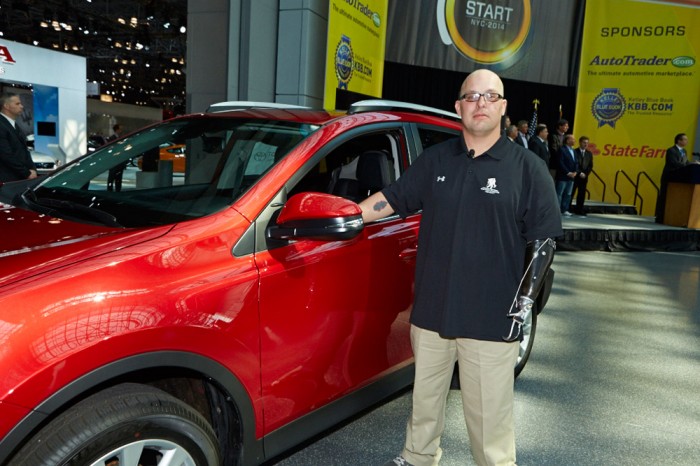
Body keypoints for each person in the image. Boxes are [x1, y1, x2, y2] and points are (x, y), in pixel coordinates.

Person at [359, 69, 563, 466]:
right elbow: (392, 199)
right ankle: (417, 457)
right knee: (424, 402)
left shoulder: (527, 168)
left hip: (490, 317)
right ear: (459, 107)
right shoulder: (436, 159)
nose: (480, 103)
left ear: (503, 108)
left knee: (490, 422)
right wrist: (349, 215)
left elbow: (545, 241)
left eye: (490, 97)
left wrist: (523, 305)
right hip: (433, 312)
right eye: (472, 97)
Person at [654, 133, 699, 223]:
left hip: (678, 179)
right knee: (664, 197)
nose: (686, 141)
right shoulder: (671, 150)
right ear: (679, 141)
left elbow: (686, 162)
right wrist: (688, 165)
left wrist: (693, 164)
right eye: (684, 139)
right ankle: (660, 217)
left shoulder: (684, 151)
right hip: (669, 177)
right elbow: (674, 163)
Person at [0, 92, 37, 183]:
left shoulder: (14, 125)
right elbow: (6, 155)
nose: (22, 106)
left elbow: (24, 150)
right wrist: (27, 173)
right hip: (8, 181)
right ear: (6, 106)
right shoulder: (1, 125)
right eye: (17, 104)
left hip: (19, 178)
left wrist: (32, 169)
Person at [555, 134, 578, 216]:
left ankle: (565, 209)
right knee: (559, 193)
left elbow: (576, 162)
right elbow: (560, 162)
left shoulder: (574, 151)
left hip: (572, 177)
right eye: (573, 139)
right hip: (563, 176)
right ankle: (557, 209)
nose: (574, 141)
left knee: (568, 194)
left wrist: (575, 172)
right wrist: (568, 172)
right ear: (568, 140)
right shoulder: (562, 149)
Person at [570, 136, 593, 215]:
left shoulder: (589, 153)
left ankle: (579, 209)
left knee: (581, 194)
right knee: (571, 193)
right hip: (576, 176)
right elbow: (574, 164)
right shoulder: (574, 152)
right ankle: (568, 208)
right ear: (580, 142)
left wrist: (585, 174)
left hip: (584, 178)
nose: (585, 144)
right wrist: (579, 173)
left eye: (587, 143)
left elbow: (590, 165)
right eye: (584, 142)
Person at [107, 123, 126, 191]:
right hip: (113, 162)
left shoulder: (121, 138)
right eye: (120, 129)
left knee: (119, 179)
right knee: (111, 178)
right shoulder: (111, 139)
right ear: (117, 130)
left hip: (119, 162)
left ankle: (118, 191)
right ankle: (110, 191)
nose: (121, 130)